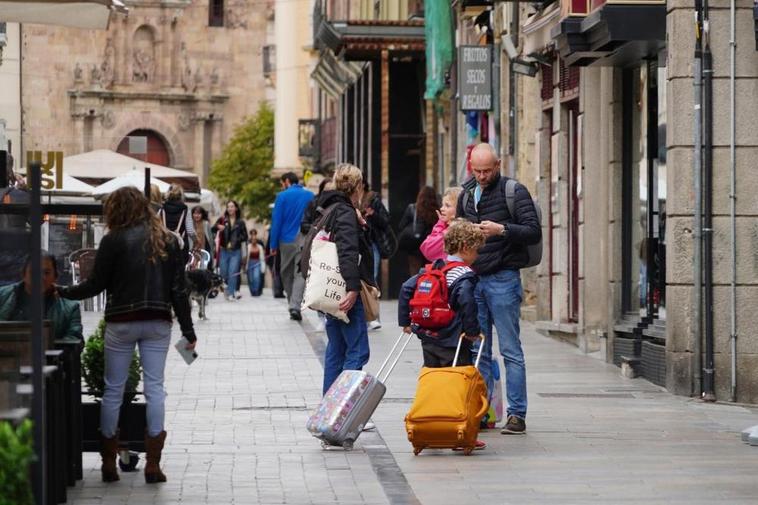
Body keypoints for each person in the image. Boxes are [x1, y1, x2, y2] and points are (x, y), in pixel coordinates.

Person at [57, 186, 197, 484]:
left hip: (121, 320)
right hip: (157, 319)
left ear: (116, 209)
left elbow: (95, 284)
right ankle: (153, 465)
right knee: (155, 388)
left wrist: (64, 292)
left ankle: (109, 461)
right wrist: (188, 330)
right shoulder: (167, 240)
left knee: (113, 390)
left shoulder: (113, 240)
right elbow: (179, 289)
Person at [456, 143, 541, 435]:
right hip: (474, 279)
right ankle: (483, 411)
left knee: (510, 349)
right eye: (476, 171)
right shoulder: (466, 193)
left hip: (503, 278)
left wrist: (501, 230)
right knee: (478, 349)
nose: (481, 176)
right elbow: (458, 231)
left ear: (498, 165)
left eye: (486, 170)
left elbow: (533, 231)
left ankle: (517, 415)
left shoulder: (514, 191)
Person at [397, 219, 486, 450]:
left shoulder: (433, 267)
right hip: (453, 340)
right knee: (456, 387)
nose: (477, 255)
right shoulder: (464, 274)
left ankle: (430, 427)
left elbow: (406, 288)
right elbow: (467, 302)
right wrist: (472, 331)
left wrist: (405, 321)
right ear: (466, 248)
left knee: (433, 385)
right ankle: (459, 431)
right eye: (476, 250)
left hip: (428, 337)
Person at [308, 164, 375, 395]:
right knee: (357, 350)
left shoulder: (329, 209)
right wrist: (353, 288)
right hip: (344, 290)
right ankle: (342, 408)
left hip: (330, 289)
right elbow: (347, 251)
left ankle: (329, 407)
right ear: (357, 187)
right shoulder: (345, 212)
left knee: (336, 349)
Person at [0, 252, 83, 342]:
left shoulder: (70, 308)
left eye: (46, 272)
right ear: (24, 275)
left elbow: (74, 340)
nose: (41, 277)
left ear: (55, 277)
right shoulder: (3, 297)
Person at [269, 172, 314, 321]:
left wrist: (273, 244)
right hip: (304, 239)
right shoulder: (310, 195)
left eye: (282, 183)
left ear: (287, 181)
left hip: (286, 240)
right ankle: (294, 304)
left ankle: (293, 304)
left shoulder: (282, 197)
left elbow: (276, 221)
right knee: (300, 272)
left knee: (285, 272)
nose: (282, 186)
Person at [360, 182, 392, 331]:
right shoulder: (347, 200)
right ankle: (365, 317)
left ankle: (373, 316)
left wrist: (373, 215)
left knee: (371, 278)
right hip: (356, 244)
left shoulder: (373, 199)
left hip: (371, 244)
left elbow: (386, 221)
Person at [398, 186, 438, 276]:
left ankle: (416, 289)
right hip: (430, 247)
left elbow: (401, 225)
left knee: (415, 273)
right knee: (429, 272)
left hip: (414, 247)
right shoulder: (436, 210)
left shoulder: (412, 208)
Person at [214, 200, 248, 301]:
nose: (230, 208)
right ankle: (226, 291)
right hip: (223, 250)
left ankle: (231, 293)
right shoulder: (222, 219)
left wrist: (237, 239)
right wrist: (217, 227)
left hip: (235, 251)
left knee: (233, 272)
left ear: (236, 208)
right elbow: (213, 229)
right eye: (228, 207)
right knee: (224, 273)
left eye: (232, 206)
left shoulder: (240, 222)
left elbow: (245, 236)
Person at [420, 186, 462, 262]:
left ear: (459, 209)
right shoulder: (447, 226)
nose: (442, 208)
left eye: (447, 206)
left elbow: (429, 249)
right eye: (442, 205)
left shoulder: (456, 231)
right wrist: (442, 223)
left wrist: (442, 224)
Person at [159, 184, 196, 265]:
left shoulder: (162, 209)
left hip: (164, 247)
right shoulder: (185, 210)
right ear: (181, 195)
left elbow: (156, 227)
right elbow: (190, 231)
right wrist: (195, 240)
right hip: (181, 248)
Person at [191, 205, 214, 271]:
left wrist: (211, 253)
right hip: (192, 252)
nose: (196, 215)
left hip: (204, 251)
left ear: (202, 214)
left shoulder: (206, 224)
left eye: (199, 213)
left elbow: (210, 240)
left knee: (203, 270)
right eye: (195, 213)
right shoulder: (190, 224)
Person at [246, 229, 265, 297]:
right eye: (252, 234)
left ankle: (256, 291)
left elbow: (262, 256)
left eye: (254, 234)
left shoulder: (260, 244)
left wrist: (263, 267)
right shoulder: (248, 244)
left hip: (257, 262)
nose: (253, 236)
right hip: (250, 263)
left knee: (256, 277)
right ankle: (252, 291)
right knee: (251, 278)